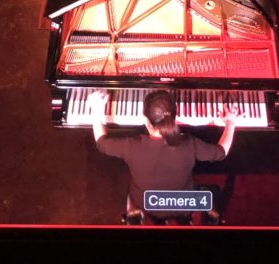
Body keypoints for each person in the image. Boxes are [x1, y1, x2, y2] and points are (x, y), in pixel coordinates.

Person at [89, 89, 237, 222]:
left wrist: (96, 112)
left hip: (146, 203)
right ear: (176, 112)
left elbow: (101, 144)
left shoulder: (129, 146)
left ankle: (146, 217)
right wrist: (230, 122)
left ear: (145, 119)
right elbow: (221, 152)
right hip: (183, 204)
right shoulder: (189, 144)